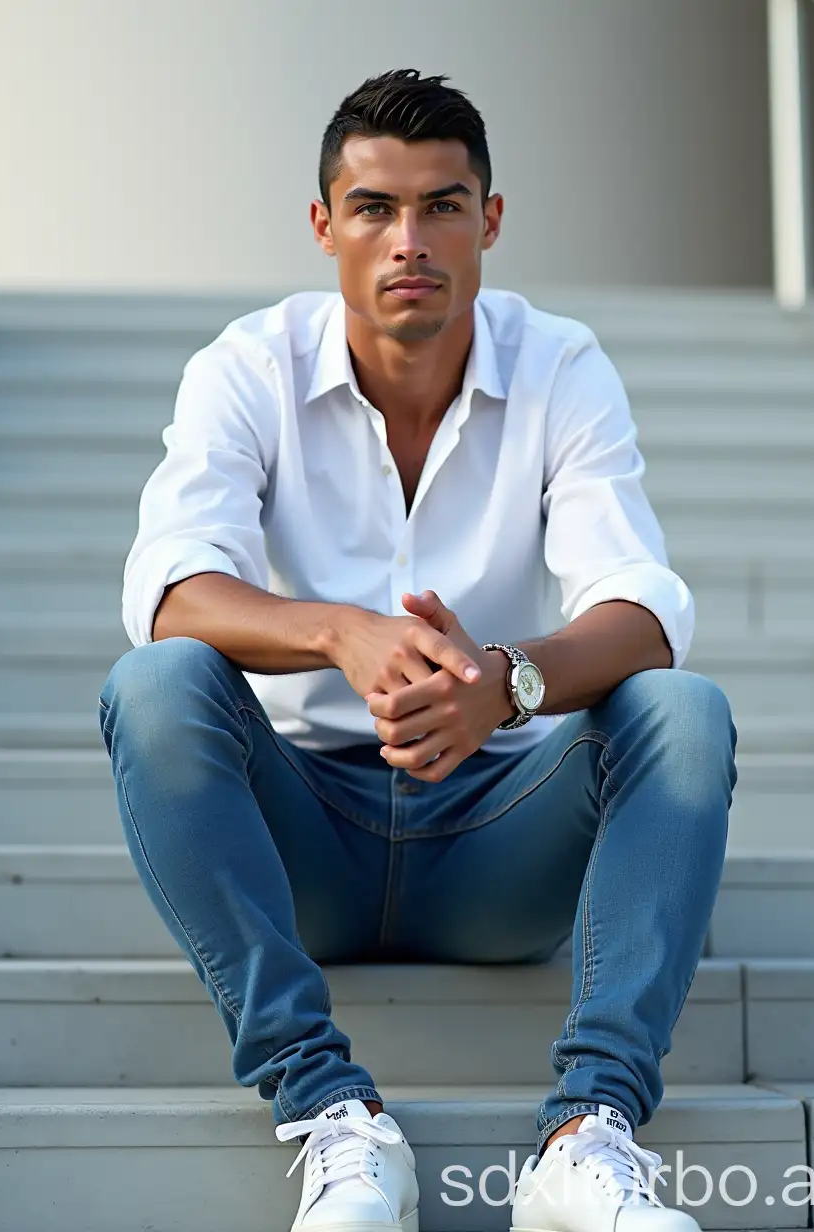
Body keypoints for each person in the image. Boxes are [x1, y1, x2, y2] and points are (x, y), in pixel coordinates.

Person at [98, 67, 737, 1232]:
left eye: (443, 205)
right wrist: (341, 631)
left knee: (681, 711)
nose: (410, 241)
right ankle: (328, 1108)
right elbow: (170, 587)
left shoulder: (559, 364)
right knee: (155, 685)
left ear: (490, 219)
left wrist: (505, 681)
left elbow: (644, 606)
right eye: (375, 208)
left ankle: (585, 1130)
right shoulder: (248, 366)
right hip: (306, 840)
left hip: (500, 836)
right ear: (323, 224)